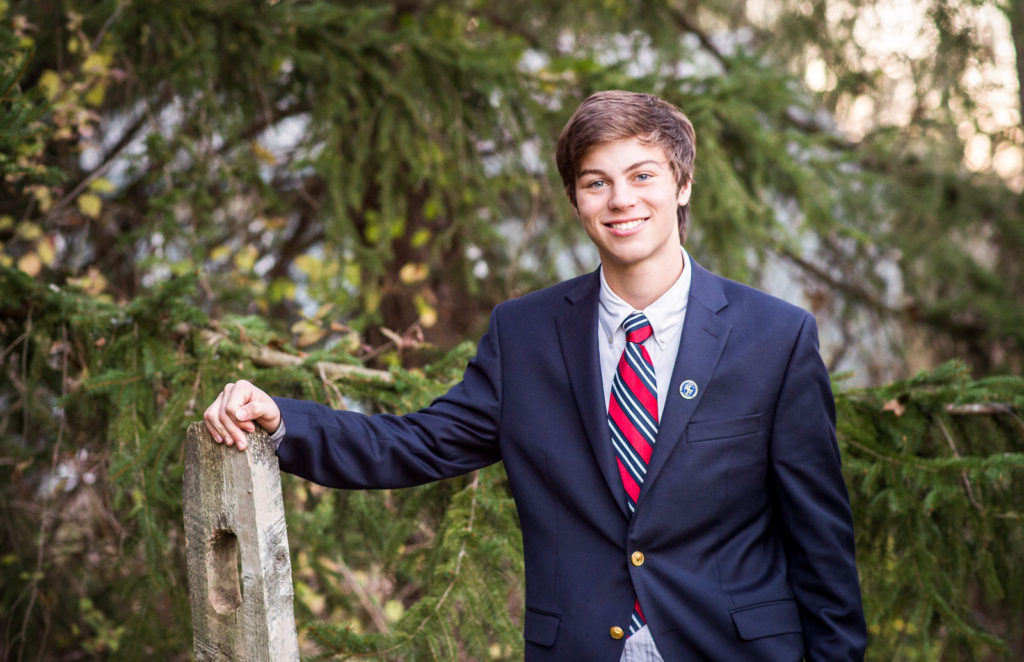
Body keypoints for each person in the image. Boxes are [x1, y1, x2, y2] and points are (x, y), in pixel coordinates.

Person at [204, 90, 867, 661]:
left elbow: (821, 545)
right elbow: (416, 444)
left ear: (682, 184)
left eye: (642, 176)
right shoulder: (525, 335)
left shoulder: (774, 337)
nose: (620, 200)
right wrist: (284, 419)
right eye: (595, 181)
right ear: (576, 198)